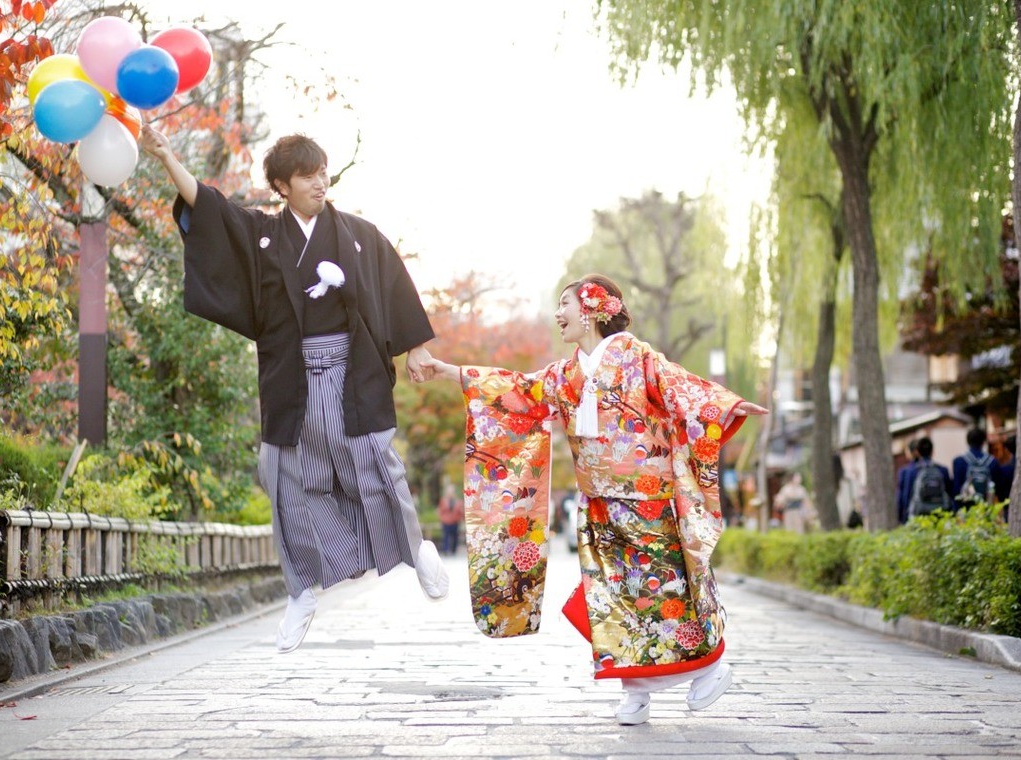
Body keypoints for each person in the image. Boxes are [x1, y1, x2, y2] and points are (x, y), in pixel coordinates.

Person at [140, 124, 449, 654]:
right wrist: (167, 154)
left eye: (323, 173)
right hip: (292, 374)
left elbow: (393, 286)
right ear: (282, 185)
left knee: (373, 460)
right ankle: (302, 590)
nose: (320, 183)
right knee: (284, 476)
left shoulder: (357, 233)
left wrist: (416, 346)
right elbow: (211, 210)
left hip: (352, 370)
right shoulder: (264, 235)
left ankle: (416, 548)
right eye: (307, 176)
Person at [417, 274, 767, 726]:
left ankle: (713, 667)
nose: (558, 314)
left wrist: (725, 405)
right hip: (597, 504)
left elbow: (682, 388)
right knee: (611, 598)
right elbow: (517, 389)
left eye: (564, 303)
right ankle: (634, 690)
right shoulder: (565, 374)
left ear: (593, 309)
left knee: (663, 593)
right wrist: (448, 370)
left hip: (647, 501)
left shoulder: (637, 357)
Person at [903, 436, 953, 519]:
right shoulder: (943, 470)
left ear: (918, 452)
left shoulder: (912, 471)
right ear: (932, 451)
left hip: (920, 515)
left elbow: (907, 496)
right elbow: (950, 493)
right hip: (940, 513)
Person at [951, 427, 1000, 509]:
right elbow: (997, 488)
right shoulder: (992, 461)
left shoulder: (959, 461)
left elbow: (956, 489)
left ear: (967, 441)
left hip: (966, 508)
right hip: (985, 508)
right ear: (984, 442)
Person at [895, 439, 920, 524]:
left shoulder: (905, 471)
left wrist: (901, 517)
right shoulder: (939, 469)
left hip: (912, 514)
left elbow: (903, 496)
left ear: (910, 452)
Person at [437, 486, 464, 556]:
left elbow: (461, 512)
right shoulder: (443, 501)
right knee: (445, 536)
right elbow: (440, 511)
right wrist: (442, 518)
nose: (450, 494)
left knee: (455, 536)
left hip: (455, 521)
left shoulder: (458, 501)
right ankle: (445, 550)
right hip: (446, 522)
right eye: (449, 492)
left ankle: (453, 550)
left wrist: (461, 518)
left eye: (451, 492)